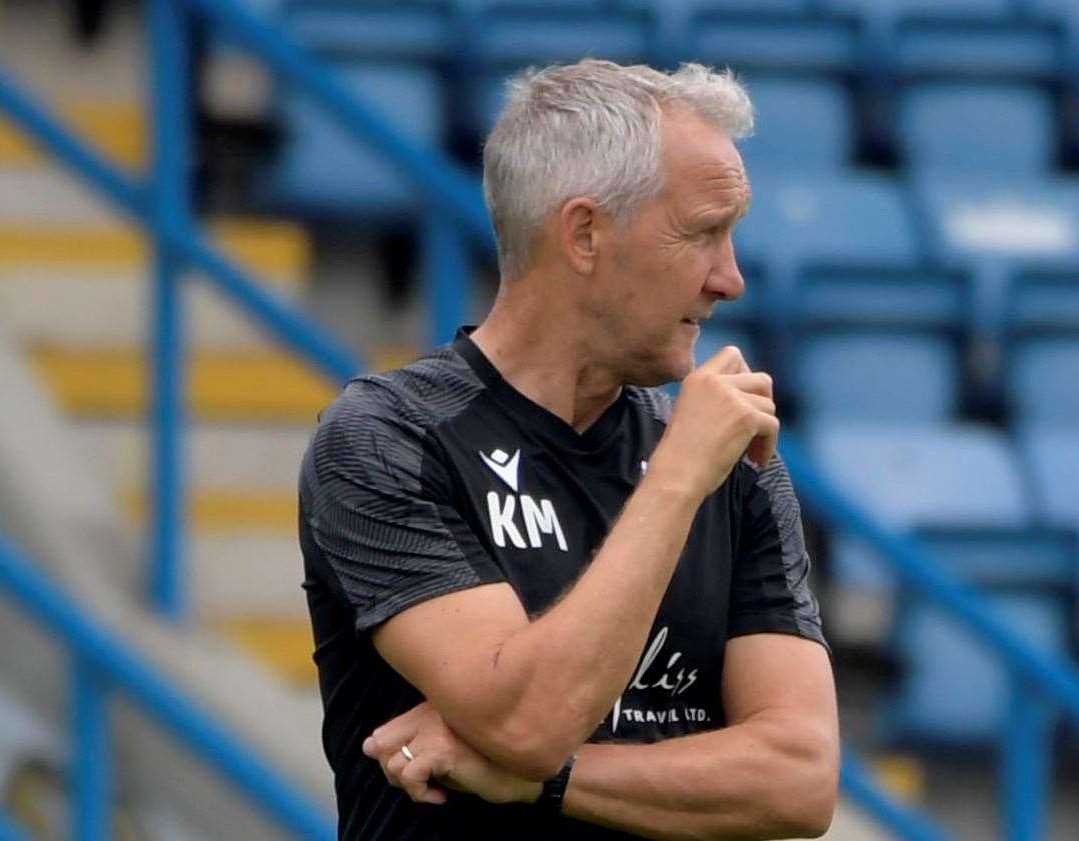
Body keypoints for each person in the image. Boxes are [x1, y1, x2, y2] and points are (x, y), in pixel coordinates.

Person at [299, 59, 838, 840]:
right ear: (584, 233)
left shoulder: (735, 468)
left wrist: (551, 780)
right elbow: (526, 721)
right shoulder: (388, 439)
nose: (731, 279)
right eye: (702, 233)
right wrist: (678, 477)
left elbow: (799, 778)